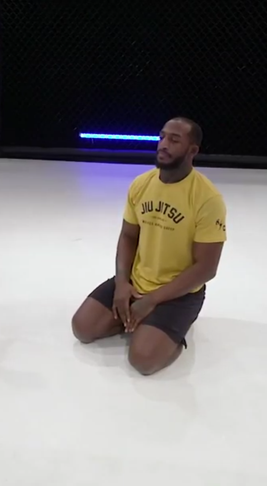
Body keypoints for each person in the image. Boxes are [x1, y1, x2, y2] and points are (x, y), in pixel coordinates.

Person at [71, 117, 227, 375]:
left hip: (178, 293)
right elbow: (128, 236)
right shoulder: (141, 184)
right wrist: (122, 283)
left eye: (174, 140)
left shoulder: (208, 199)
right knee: (82, 328)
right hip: (137, 281)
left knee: (143, 360)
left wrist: (153, 300)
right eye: (162, 137)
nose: (163, 145)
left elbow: (206, 268)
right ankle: (140, 323)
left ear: (192, 150)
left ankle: (172, 328)